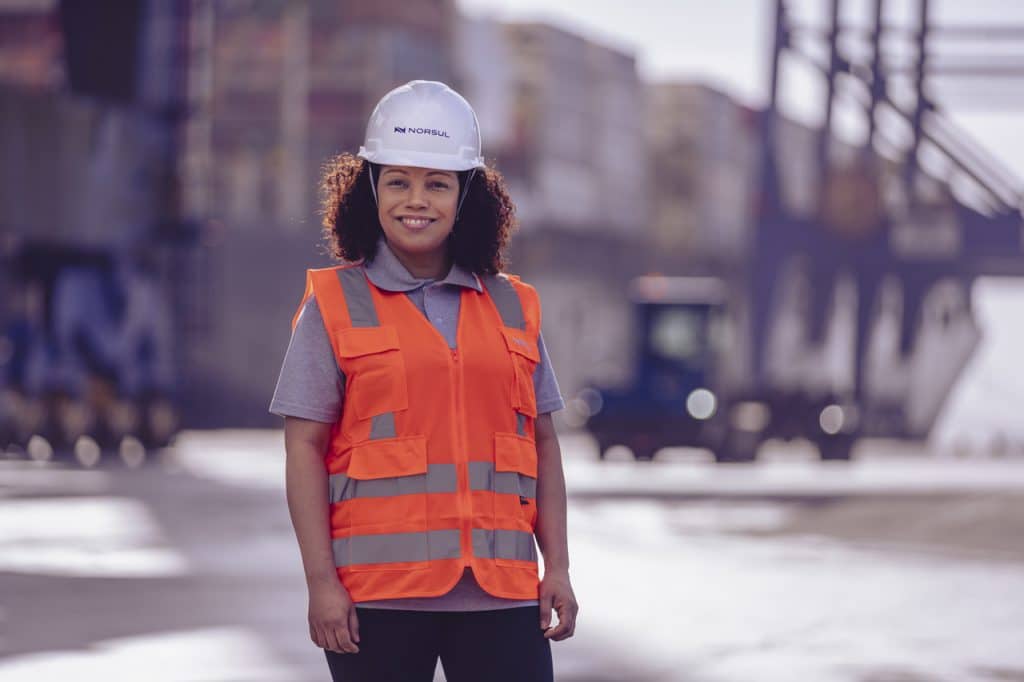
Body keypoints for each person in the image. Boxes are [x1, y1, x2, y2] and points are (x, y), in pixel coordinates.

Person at [270, 80, 578, 682]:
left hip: (502, 595)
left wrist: (558, 568)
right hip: (378, 600)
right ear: (370, 189)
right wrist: (320, 583)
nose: (417, 200)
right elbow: (303, 448)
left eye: (437, 184)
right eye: (398, 182)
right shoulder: (334, 304)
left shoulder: (516, 306)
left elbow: (542, 445)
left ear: (466, 196)